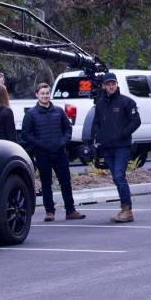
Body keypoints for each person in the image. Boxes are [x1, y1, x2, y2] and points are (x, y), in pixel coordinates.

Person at [22, 83, 84, 221]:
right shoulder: (31, 114)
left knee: (65, 182)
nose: (45, 96)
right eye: (42, 93)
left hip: (60, 152)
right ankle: (49, 212)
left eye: (47, 93)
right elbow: (26, 134)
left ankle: (71, 211)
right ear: (37, 95)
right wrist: (40, 144)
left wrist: (63, 142)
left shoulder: (59, 111)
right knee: (46, 183)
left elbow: (68, 128)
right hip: (42, 154)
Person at [91, 72, 141, 223]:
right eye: (108, 84)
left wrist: (123, 134)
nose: (111, 86)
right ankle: (124, 209)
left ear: (117, 84)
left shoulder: (127, 102)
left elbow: (136, 121)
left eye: (113, 83)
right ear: (104, 86)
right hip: (107, 148)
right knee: (116, 177)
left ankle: (127, 210)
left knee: (119, 176)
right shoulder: (100, 104)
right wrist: (97, 138)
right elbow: (96, 123)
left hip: (122, 147)